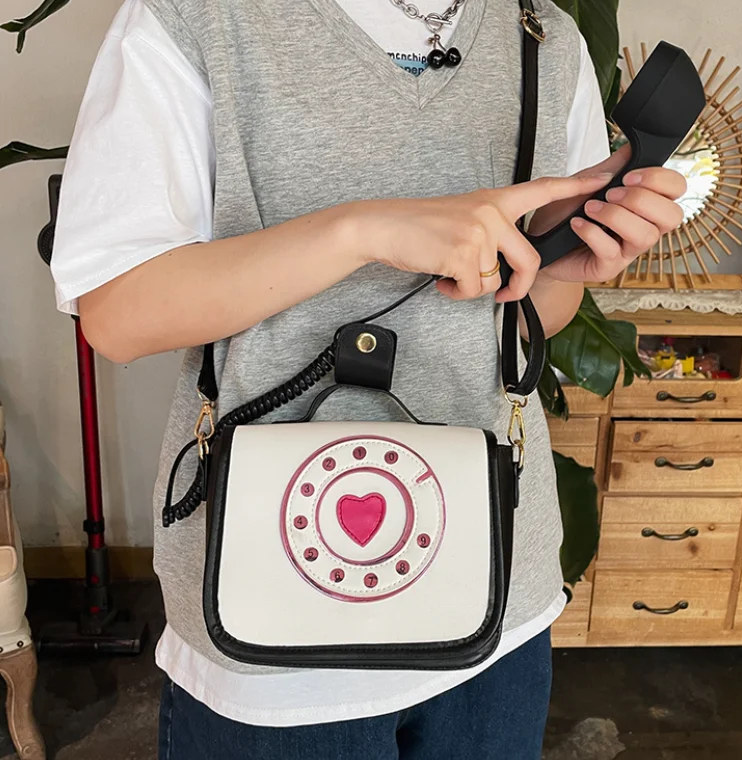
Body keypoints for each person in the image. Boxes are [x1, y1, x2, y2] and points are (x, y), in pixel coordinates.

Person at [50, 1, 687, 757]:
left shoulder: (543, 35)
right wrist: (364, 232)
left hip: (495, 590)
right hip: (270, 614)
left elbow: (525, 321)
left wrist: (558, 265)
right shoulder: (197, 18)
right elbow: (119, 314)